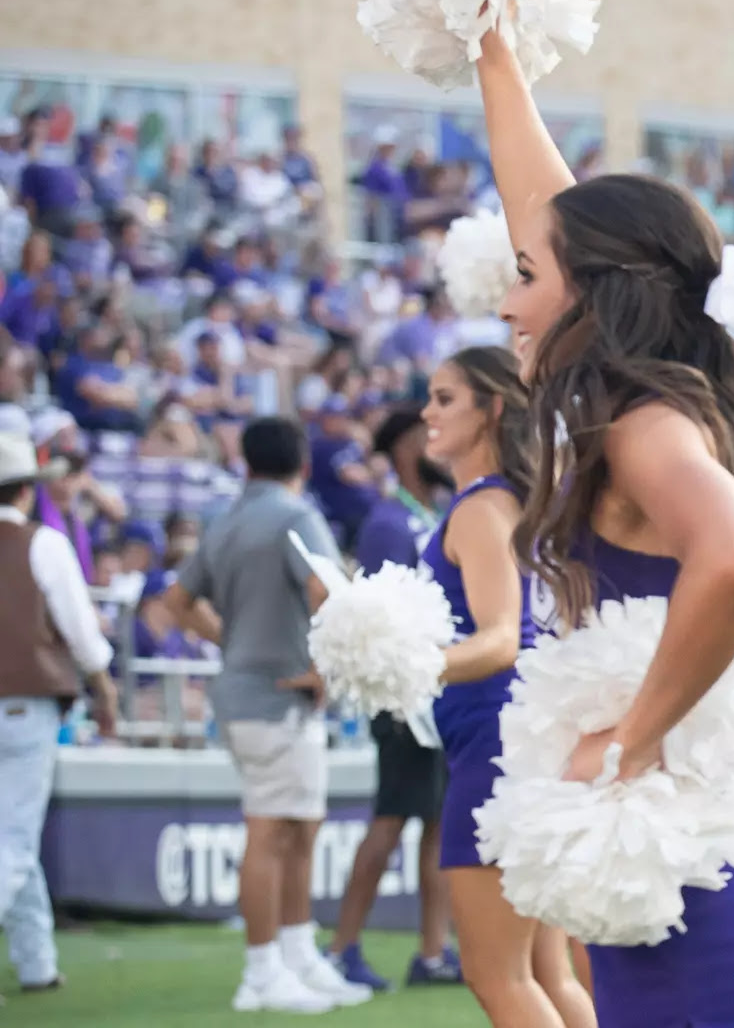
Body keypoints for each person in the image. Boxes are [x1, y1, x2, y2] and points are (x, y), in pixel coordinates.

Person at [476, 20, 734, 1027]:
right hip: (672, 895)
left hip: (728, 936)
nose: (506, 303)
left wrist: (628, 738)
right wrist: (491, 45)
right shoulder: (653, 402)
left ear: (597, 292)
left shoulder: (644, 423)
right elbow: (548, 211)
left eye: (525, 278)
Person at [160, 416, 373, 1014]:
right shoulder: (296, 516)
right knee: (272, 829)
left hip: (249, 692)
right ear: (303, 465)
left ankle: (297, 953)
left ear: (247, 464)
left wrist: (231, 644)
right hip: (277, 696)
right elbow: (330, 590)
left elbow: (176, 599)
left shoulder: (224, 523)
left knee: (298, 828)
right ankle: (261, 972)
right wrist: (325, 666)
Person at [416, 347, 595, 1027]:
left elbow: (498, 638)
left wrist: (407, 662)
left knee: (498, 976)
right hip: (518, 736)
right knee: (549, 972)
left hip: (493, 744)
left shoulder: (481, 507)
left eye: (443, 398)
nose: (427, 413)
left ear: (491, 408)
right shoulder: (513, 501)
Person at [325, 405, 461, 991]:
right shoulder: (389, 522)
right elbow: (387, 617)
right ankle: (342, 945)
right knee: (390, 818)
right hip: (406, 697)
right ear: (408, 449)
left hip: (439, 689)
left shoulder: (430, 514)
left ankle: (432, 952)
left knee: (436, 823)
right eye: (428, 438)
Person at [0, 432, 117, 1000]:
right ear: (27, 490)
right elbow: (83, 634)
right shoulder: (41, 544)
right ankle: (35, 961)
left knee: (11, 836)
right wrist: (104, 686)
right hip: (25, 704)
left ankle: (36, 962)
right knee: (15, 840)